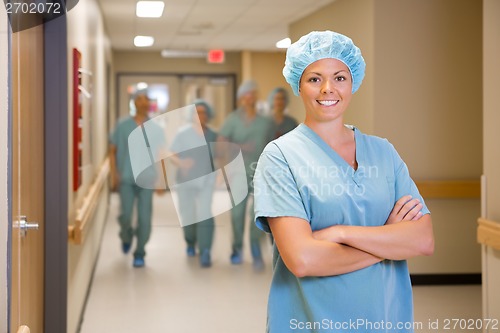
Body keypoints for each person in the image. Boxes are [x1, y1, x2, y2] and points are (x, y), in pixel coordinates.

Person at [254, 31, 434, 332]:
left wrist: (339, 232)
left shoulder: (383, 152)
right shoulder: (280, 156)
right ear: (298, 84)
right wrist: (389, 239)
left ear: (353, 83)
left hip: (385, 320)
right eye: (314, 79)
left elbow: (422, 239)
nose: (328, 89)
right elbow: (302, 260)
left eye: (339, 78)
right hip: (309, 322)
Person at [218, 80, 274, 270]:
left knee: (256, 215)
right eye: (246, 94)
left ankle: (256, 251)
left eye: (252, 93)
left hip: (260, 174)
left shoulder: (265, 122)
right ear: (241, 98)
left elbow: (274, 147)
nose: (249, 97)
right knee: (237, 215)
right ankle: (236, 249)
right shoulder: (232, 120)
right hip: (237, 173)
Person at [109, 91, 165, 268]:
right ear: (134, 103)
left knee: (145, 219)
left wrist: (162, 180)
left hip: (147, 179)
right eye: (139, 99)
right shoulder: (123, 125)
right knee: (125, 216)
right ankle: (126, 236)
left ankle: (140, 252)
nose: (143, 102)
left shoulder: (156, 129)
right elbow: (112, 150)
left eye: (146, 99)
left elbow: (160, 155)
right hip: (126, 177)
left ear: (149, 104)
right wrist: (114, 174)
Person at [169, 100, 217, 267]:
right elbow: (172, 155)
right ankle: (190, 242)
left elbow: (219, 156)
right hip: (186, 180)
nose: (201, 115)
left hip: (206, 180)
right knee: (188, 214)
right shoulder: (183, 134)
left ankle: (205, 250)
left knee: (204, 213)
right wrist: (182, 163)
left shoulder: (213, 135)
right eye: (197, 112)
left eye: (204, 112)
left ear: (208, 115)